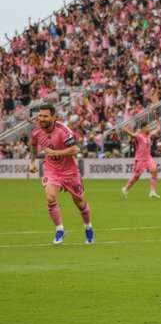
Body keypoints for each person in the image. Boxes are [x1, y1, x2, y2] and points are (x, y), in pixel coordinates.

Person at [28, 104, 94, 244]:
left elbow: (75, 149)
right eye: (40, 115)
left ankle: (88, 227)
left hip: (70, 172)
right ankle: (59, 229)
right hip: (52, 170)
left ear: (54, 117)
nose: (41, 118)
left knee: (79, 202)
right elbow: (33, 145)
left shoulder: (63, 130)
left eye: (45, 116)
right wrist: (33, 162)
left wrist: (55, 153)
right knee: (50, 197)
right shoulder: (36, 132)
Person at [121, 122, 160, 199]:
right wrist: (126, 130)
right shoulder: (139, 136)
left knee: (154, 170)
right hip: (140, 159)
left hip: (148, 158)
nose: (149, 128)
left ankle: (152, 192)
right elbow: (132, 135)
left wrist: (158, 125)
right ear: (143, 128)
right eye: (147, 127)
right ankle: (125, 188)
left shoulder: (149, 135)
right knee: (136, 177)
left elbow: (157, 130)